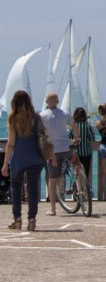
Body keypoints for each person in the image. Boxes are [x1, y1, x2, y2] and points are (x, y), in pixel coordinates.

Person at [2, 91, 46, 231]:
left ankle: (17, 219)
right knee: (33, 189)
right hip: (35, 158)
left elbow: (11, 144)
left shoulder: (13, 118)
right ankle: (32, 220)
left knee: (16, 188)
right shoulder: (36, 117)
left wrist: (5, 164)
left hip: (19, 159)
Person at [40, 92, 79, 216]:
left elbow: (40, 134)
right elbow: (74, 127)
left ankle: (53, 209)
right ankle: (78, 181)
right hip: (66, 147)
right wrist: (76, 138)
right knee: (73, 164)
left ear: (46, 102)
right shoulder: (65, 114)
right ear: (57, 101)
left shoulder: (42, 116)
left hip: (54, 151)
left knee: (52, 180)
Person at [71, 107, 95, 180]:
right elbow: (92, 138)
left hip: (76, 153)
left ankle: (77, 189)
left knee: (76, 172)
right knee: (85, 172)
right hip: (86, 152)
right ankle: (85, 189)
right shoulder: (88, 125)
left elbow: (70, 138)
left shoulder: (73, 126)